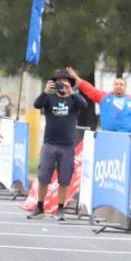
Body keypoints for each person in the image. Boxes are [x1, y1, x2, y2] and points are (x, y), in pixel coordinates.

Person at [28, 69, 87, 221]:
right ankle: (40, 207)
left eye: (65, 81)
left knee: (64, 179)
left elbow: (84, 104)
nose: (62, 84)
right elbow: (37, 105)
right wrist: (45, 92)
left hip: (67, 146)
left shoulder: (74, 99)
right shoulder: (49, 97)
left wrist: (71, 92)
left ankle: (60, 209)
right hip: (49, 144)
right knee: (43, 177)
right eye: (59, 81)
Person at [66, 67, 131, 136]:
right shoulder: (104, 97)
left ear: (125, 87)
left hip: (126, 137)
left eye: (121, 84)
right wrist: (77, 78)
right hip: (107, 135)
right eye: (116, 84)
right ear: (113, 86)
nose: (118, 86)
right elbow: (90, 90)